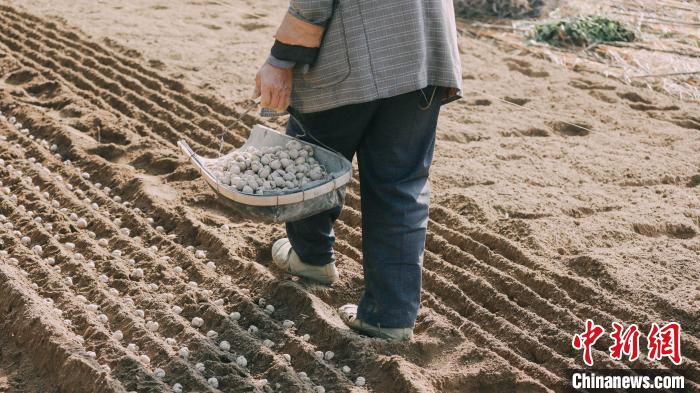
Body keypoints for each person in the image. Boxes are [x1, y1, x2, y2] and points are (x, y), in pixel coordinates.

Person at [253, 0, 462, 341]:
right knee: (401, 183)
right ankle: (390, 316)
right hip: (428, 51)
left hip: (354, 53)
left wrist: (280, 59)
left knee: (311, 157)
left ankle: (311, 258)